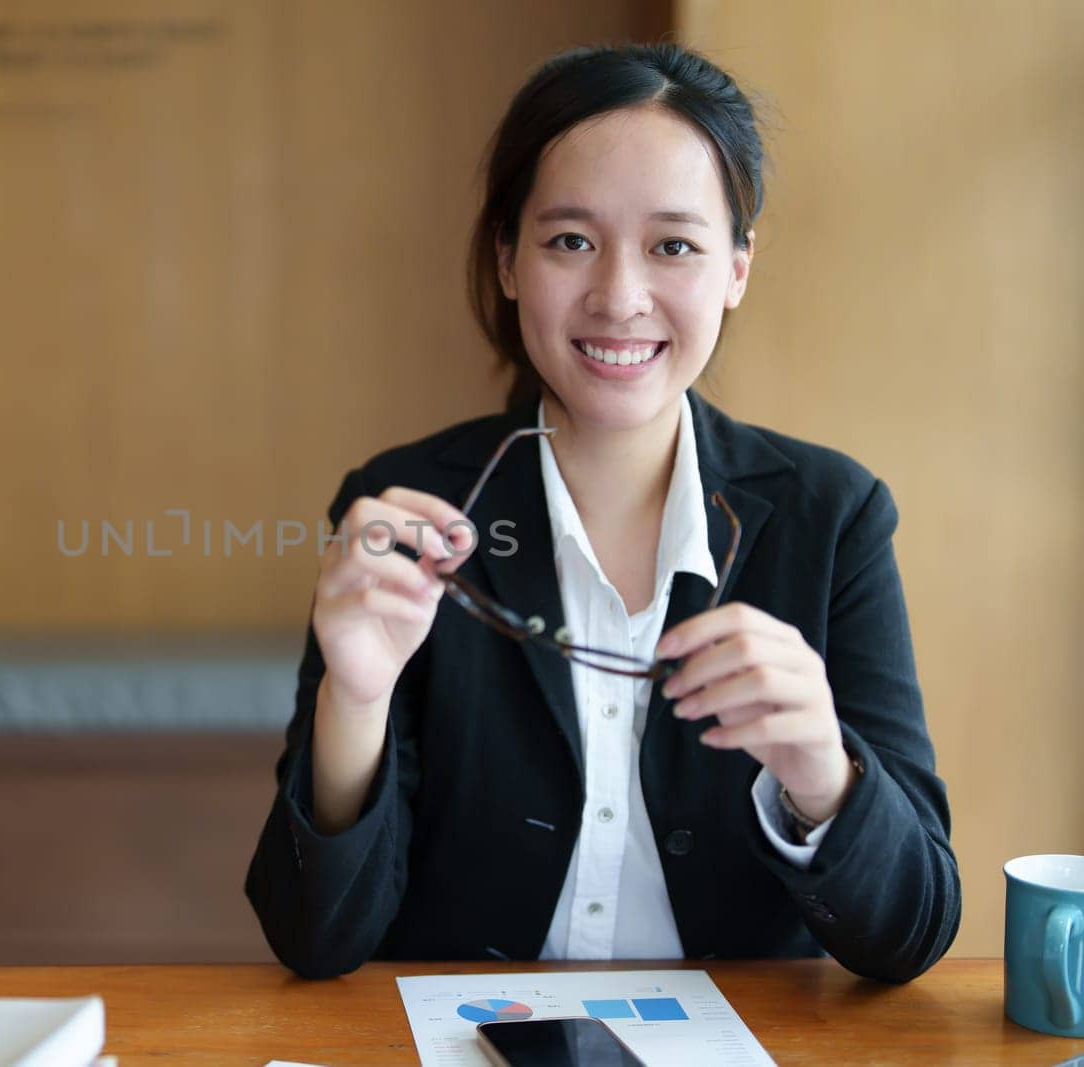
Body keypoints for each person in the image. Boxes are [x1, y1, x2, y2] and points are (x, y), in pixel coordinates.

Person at [244, 42, 960, 983]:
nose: (620, 298)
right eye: (570, 240)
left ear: (738, 265)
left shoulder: (834, 517)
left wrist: (823, 772)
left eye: (674, 245)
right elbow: (313, 939)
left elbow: (911, 935)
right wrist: (357, 700)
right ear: (506, 260)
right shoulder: (406, 511)